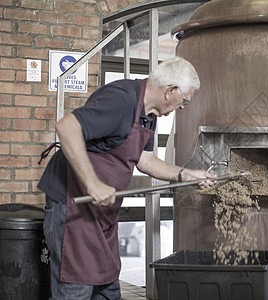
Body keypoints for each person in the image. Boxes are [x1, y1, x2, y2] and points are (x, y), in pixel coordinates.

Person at [38, 57, 216, 299]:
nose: (183, 107)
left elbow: (145, 161)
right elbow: (67, 127)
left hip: (102, 214)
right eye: (184, 101)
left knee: (108, 288)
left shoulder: (149, 114)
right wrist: (93, 183)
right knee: (75, 288)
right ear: (170, 90)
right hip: (73, 209)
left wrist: (186, 175)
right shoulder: (121, 99)